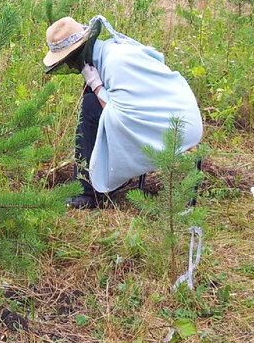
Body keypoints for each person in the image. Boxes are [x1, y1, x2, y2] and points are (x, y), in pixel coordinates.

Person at [43, 15, 203, 209]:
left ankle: (90, 193)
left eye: (69, 60)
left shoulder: (115, 62)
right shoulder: (110, 52)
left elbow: (119, 117)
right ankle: (98, 181)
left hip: (176, 127)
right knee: (92, 98)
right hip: (170, 118)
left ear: (78, 53)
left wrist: (96, 85)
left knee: (91, 105)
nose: (70, 66)